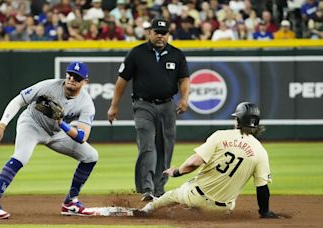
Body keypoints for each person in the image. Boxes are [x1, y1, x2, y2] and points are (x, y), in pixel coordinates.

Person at [0, 62, 98, 219]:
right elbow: (19, 100)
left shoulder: (86, 104)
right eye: (70, 75)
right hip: (32, 124)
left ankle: (70, 202)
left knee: (91, 156)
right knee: (20, 157)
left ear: (85, 81)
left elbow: (82, 137)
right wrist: (1, 125)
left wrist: (62, 124)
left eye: (77, 78)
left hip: (57, 133)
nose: (72, 79)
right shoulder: (48, 86)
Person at [135, 102, 281, 219]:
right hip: (223, 210)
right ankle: (194, 212)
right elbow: (262, 188)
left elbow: (195, 162)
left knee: (175, 194)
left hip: (196, 196)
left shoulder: (220, 136)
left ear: (238, 120)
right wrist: (265, 212)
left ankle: (148, 209)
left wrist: (177, 172)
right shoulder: (260, 151)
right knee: (220, 202)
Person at [107, 18, 190, 202]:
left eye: (164, 32)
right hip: (143, 105)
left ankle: (159, 189)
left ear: (169, 34)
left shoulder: (177, 54)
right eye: (157, 32)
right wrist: (114, 105)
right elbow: (122, 80)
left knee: (165, 148)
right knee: (147, 145)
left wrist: (184, 98)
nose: (160, 36)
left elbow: (184, 79)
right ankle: (147, 188)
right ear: (149, 33)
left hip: (168, 105)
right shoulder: (137, 53)